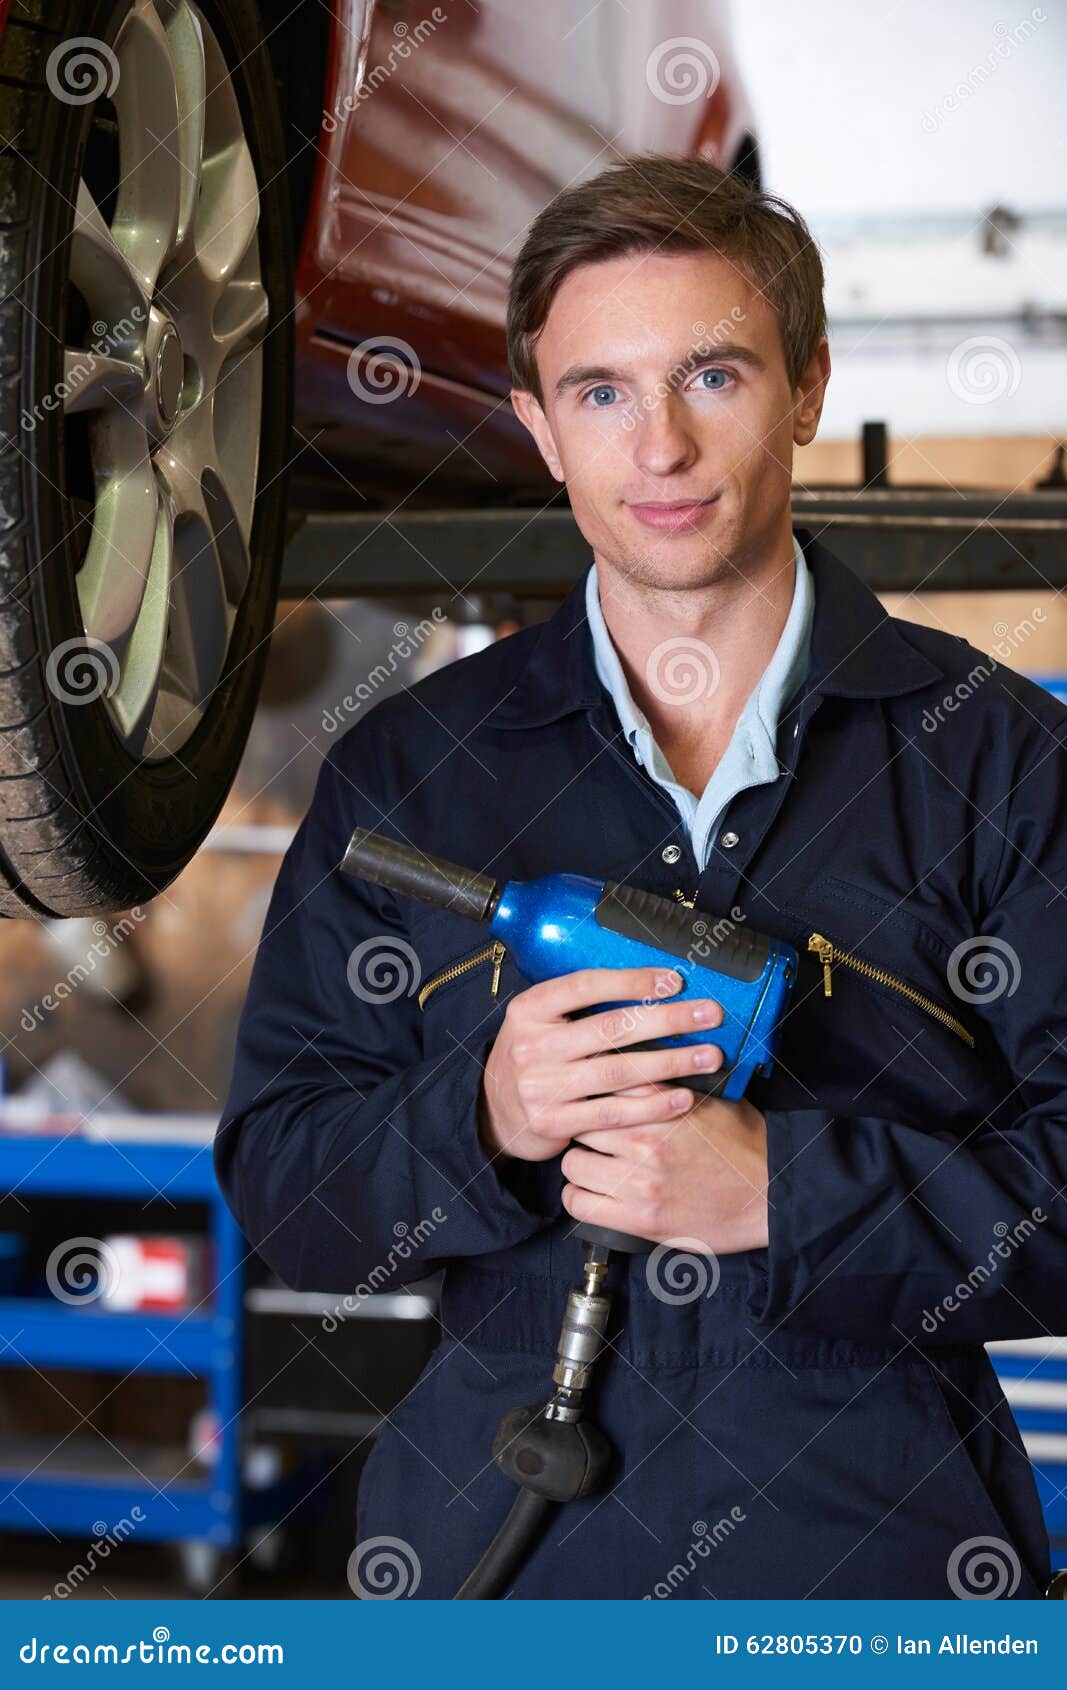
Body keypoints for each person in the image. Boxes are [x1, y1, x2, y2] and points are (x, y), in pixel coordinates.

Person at [214, 154, 1067, 1600]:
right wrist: (479, 1117)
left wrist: (787, 1192)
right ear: (544, 430)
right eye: (602, 392)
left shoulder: (1001, 761)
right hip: (497, 1559)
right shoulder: (412, 769)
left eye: (713, 375)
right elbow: (288, 1187)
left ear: (807, 388)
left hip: (878, 1569)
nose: (657, 446)